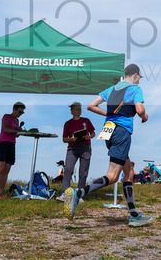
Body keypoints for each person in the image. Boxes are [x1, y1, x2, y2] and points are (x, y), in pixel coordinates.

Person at [63, 63, 152, 227]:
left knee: (129, 173)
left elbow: (91, 106)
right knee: (112, 176)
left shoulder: (112, 89)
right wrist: (144, 116)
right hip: (121, 131)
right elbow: (139, 110)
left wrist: (110, 114)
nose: (139, 80)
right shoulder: (135, 89)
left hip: (108, 130)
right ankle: (78, 194)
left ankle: (134, 214)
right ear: (135, 75)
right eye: (139, 77)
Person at [57, 102, 96, 202]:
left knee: (83, 172)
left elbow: (93, 133)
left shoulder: (86, 121)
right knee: (68, 169)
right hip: (72, 148)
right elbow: (64, 139)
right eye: (77, 109)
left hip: (85, 147)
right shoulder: (67, 123)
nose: (79, 111)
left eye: (80, 109)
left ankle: (80, 194)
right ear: (72, 111)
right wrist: (71, 139)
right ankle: (64, 193)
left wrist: (89, 136)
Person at [0, 102, 25, 199]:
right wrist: (17, 131)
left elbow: (15, 135)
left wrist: (19, 132)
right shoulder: (6, 117)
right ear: (14, 109)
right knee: (1, 168)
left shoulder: (17, 121)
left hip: (11, 144)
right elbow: (6, 128)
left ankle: (1, 192)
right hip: (2, 143)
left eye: (22, 113)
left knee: (7, 169)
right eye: (19, 112)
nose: (20, 114)